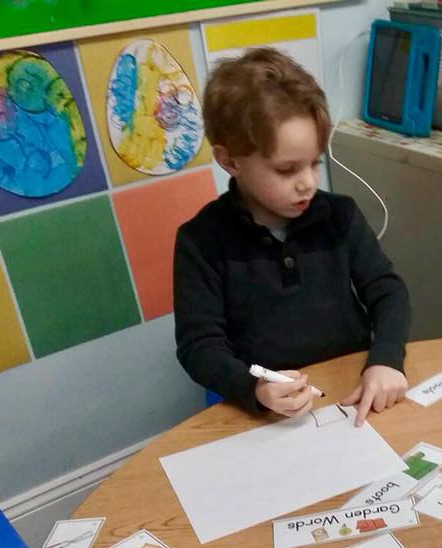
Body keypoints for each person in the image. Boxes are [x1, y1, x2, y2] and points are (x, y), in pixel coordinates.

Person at [173, 48, 411, 425]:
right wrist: (253, 387)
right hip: (268, 410)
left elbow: (389, 292)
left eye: (314, 162)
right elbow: (199, 347)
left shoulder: (340, 215)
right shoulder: (201, 241)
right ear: (230, 161)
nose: (308, 182)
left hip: (353, 391)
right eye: (287, 169)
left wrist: (385, 360)